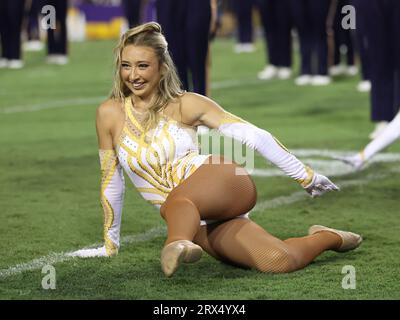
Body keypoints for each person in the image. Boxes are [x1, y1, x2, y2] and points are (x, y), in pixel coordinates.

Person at [75, 22, 362, 277]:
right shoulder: (108, 113)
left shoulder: (187, 103)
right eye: (126, 65)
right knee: (278, 261)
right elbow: (112, 180)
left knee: (176, 203)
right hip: (196, 222)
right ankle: (329, 238)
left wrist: (306, 176)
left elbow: (255, 137)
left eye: (142, 65)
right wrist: (110, 245)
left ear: (162, 67)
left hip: (225, 181)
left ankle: (175, 244)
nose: (133, 75)